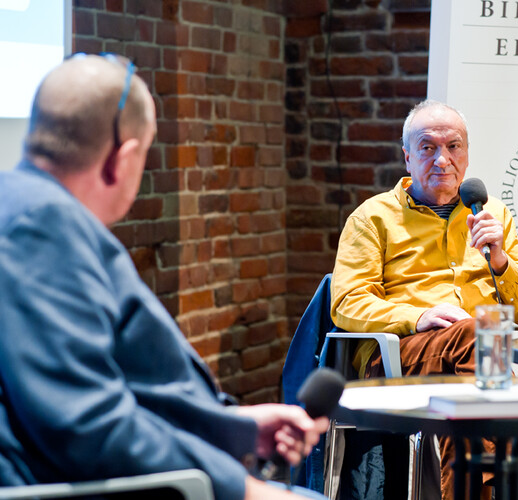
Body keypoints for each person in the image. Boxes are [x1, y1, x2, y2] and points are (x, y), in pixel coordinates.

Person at [0, 54, 327, 500]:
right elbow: (85, 422)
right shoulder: (42, 225)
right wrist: (242, 489)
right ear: (123, 159)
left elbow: (117, 387)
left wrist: (237, 429)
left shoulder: (25, 207)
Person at [330, 100, 518, 500]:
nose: (443, 159)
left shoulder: (492, 216)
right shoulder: (372, 218)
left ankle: (510, 483)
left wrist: (502, 262)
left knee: (467, 394)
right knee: (482, 333)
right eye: (427, 148)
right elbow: (346, 303)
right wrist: (416, 316)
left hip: (473, 361)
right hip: (396, 356)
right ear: (407, 157)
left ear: (467, 155)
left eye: (454, 147)